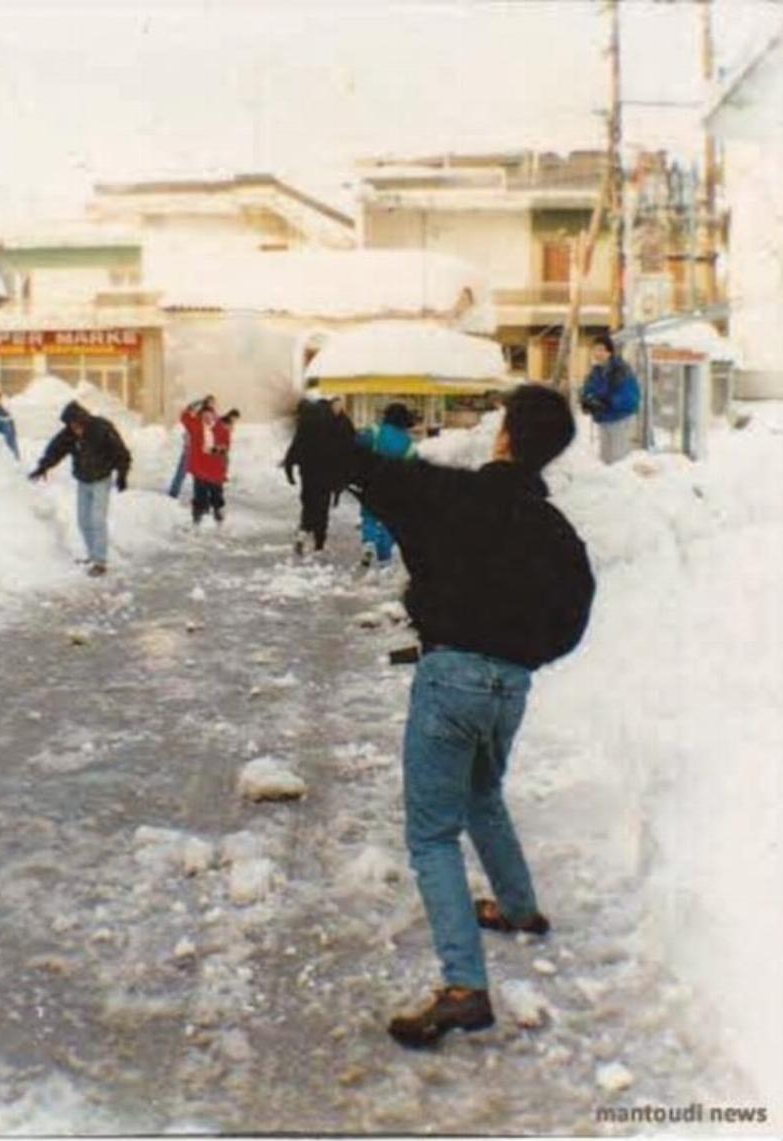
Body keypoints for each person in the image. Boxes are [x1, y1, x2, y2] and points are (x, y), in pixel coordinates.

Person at [339, 384, 595, 1048]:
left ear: (505, 435)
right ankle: (517, 908)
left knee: (431, 834)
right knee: (483, 789)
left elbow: (377, 476)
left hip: (451, 676)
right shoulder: (556, 529)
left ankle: (464, 988)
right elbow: (573, 618)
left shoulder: (458, 499)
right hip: (510, 687)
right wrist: (523, 654)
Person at [29, 400, 131, 577]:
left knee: (97, 520)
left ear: (83, 420)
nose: (74, 428)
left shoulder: (101, 428)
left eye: (76, 424)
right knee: (83, 520)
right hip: (83, 480)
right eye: (71, 425)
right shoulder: (69, 433)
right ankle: (92, 556)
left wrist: (122, 475)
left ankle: (100, 562)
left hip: (101, 479)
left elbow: (121, 452)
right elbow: (55, 449)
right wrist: (43, 466)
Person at [284, 396, 350, 555]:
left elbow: (296, 445)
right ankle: (319, 542)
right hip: (327, 473)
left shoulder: (306, 422)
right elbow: (344, 448)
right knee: (322, 507)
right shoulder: (335, 423)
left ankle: (303, 532)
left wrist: (289, 468)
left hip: (308, 472)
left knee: (308, 504)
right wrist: (343, 476)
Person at [357, 402, 416, 568]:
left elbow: (357, 443)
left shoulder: (375, 432)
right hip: (395, 487)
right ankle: (384, 556)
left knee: (369, 514)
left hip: (372, 480)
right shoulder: (408, 443)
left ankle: (368, 542)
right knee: (389, 520)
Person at [580, 333, 641, 464]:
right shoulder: (595, 372)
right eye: (595, 349)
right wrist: (587, 401)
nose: (597, 353)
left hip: (619, 420)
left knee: (619, 461)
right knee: (606, 460)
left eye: (601, 349)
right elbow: (588, 391)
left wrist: (607, 402)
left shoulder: (620, 370)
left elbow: (630, 397)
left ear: (609, 352)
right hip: (604, 420)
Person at [182, 396, 226, 525]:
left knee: (216, 492)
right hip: (200, 466)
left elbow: (225, 444)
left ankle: (218, 512)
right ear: (201, 416)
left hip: (215, 467)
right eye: (205, 416)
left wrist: (218, 450)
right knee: (200, 492)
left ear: (214, 416)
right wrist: (196, 403)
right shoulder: (195, 426)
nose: (207, 418)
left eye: (210, 416)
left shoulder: (219, 427)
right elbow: (184, 416)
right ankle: (198, 515)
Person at [168, 395, 216, 500]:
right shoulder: (197, 420)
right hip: (192, 450)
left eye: (213, 403)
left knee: (199, 476)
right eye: (210, 402)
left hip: (201, 450)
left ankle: (200, 499)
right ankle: (173, 495)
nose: (212, 405)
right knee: (186, 473)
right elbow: (185, 416)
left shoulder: (207, 419)